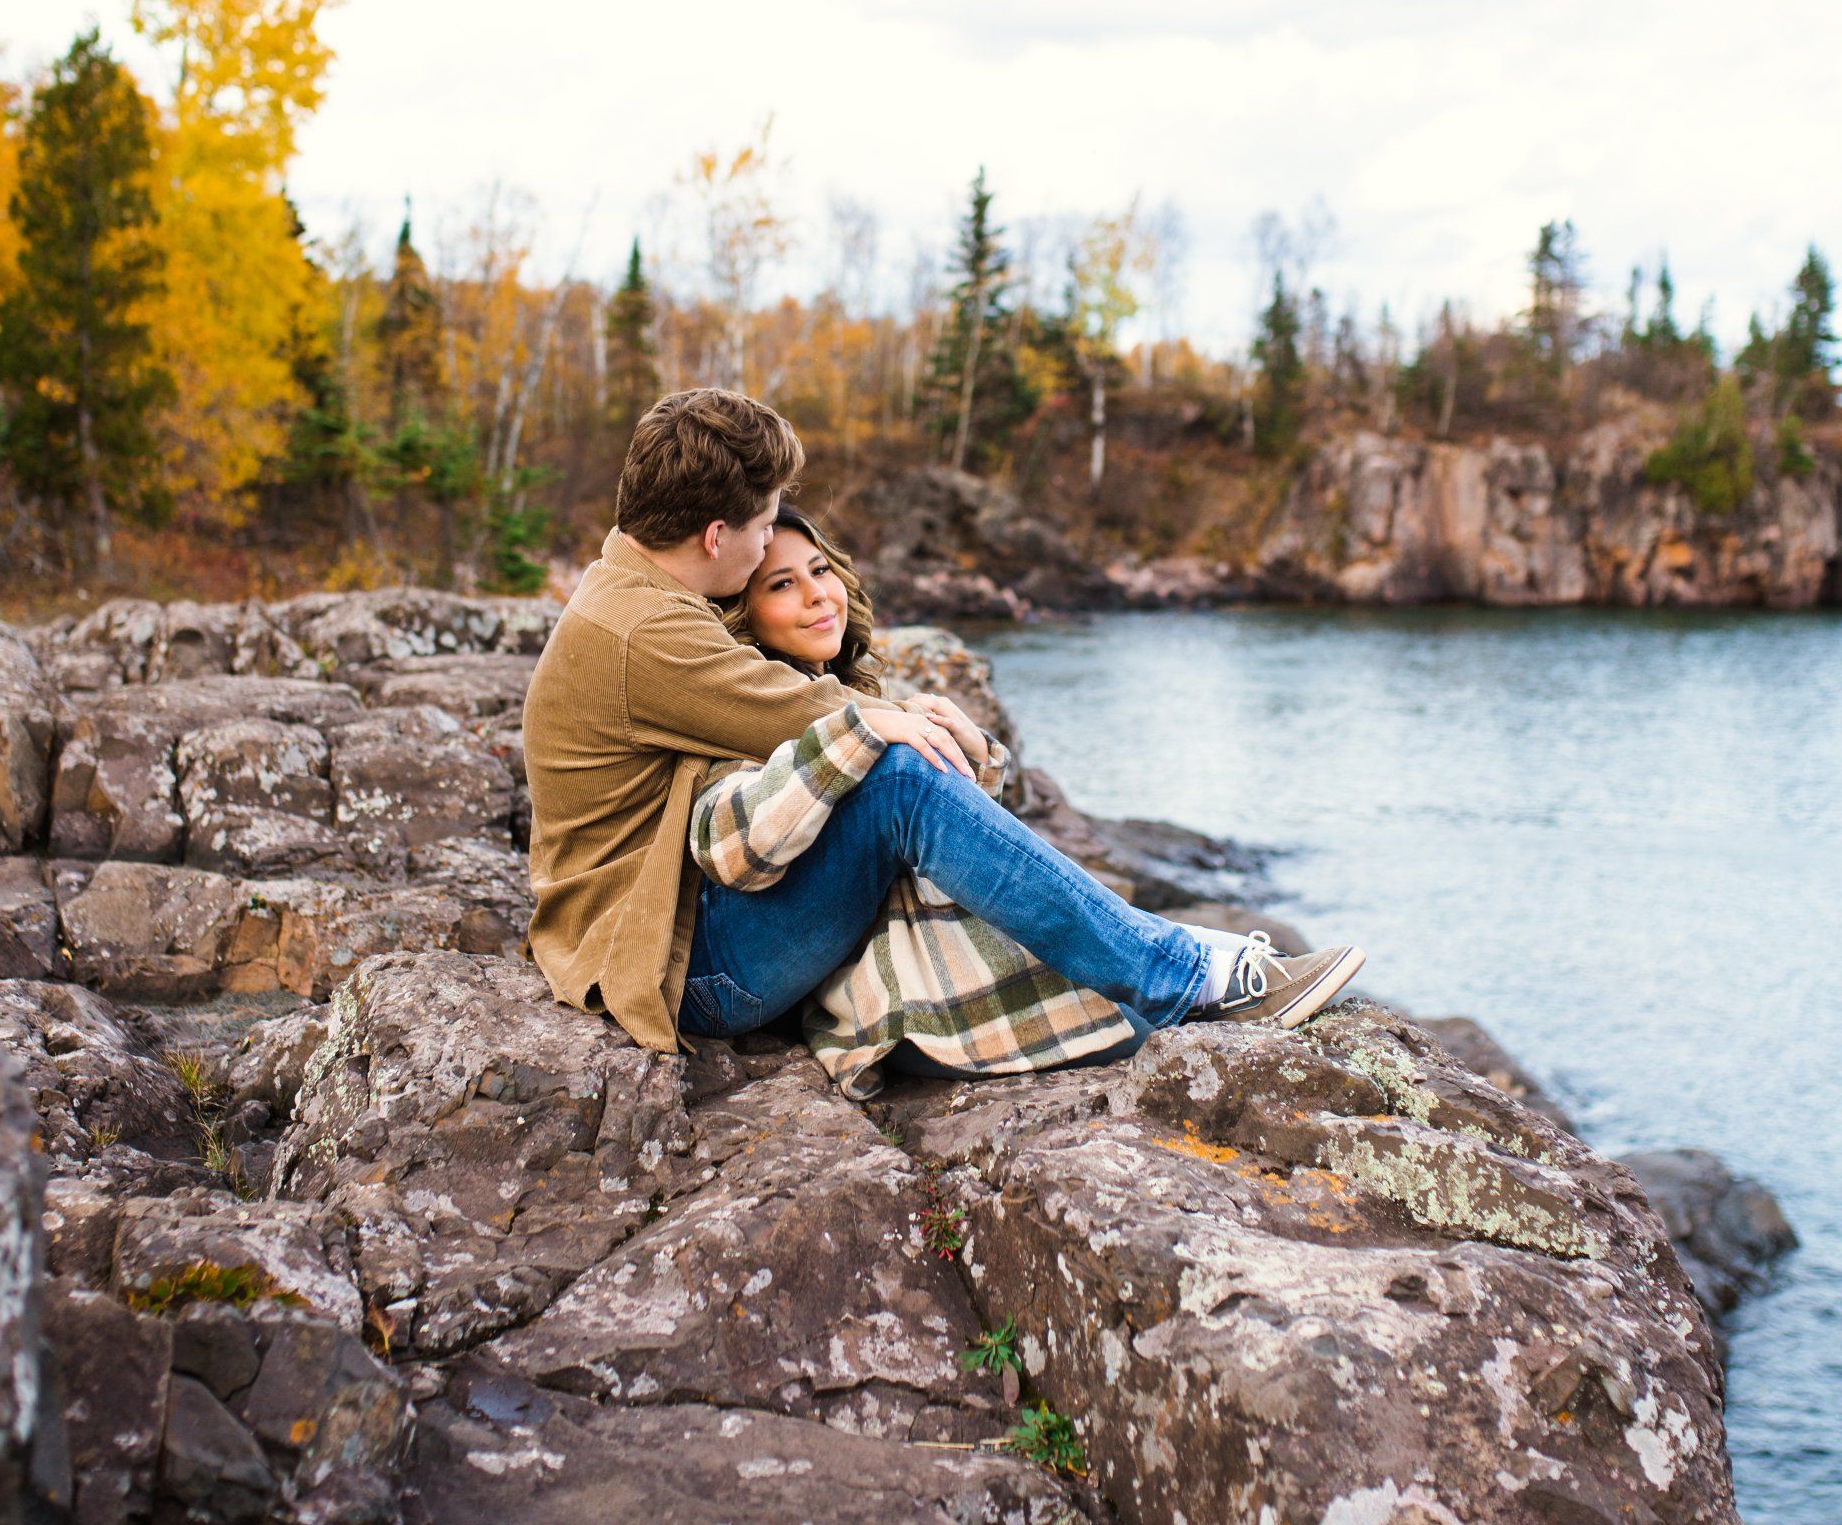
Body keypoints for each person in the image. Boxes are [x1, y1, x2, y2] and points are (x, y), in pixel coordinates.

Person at [524, 387, 1364, 1065]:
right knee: (894, 777)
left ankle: (1153, 982)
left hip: (688, 923)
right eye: (762, 527)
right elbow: (803, 710)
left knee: (899, 782)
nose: (772, 556)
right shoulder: (644, 631)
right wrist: (896, 717)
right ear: (715, 536)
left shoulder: (633, 594)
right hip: (678, 967)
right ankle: (1184, 977)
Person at [685, 501, 1363, 1091]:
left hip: (814, 962)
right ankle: (1188, 975)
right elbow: (727, 846)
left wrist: (968, 762)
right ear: (743, 615)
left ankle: (1202, 975)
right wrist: (864, 736)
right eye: (782, 584)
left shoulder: (841, 696)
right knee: (899, 774)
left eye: (821, 570)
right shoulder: (731, 698)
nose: (816, 595)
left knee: (1113, 1015)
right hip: (724, 974)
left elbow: (900, 848)